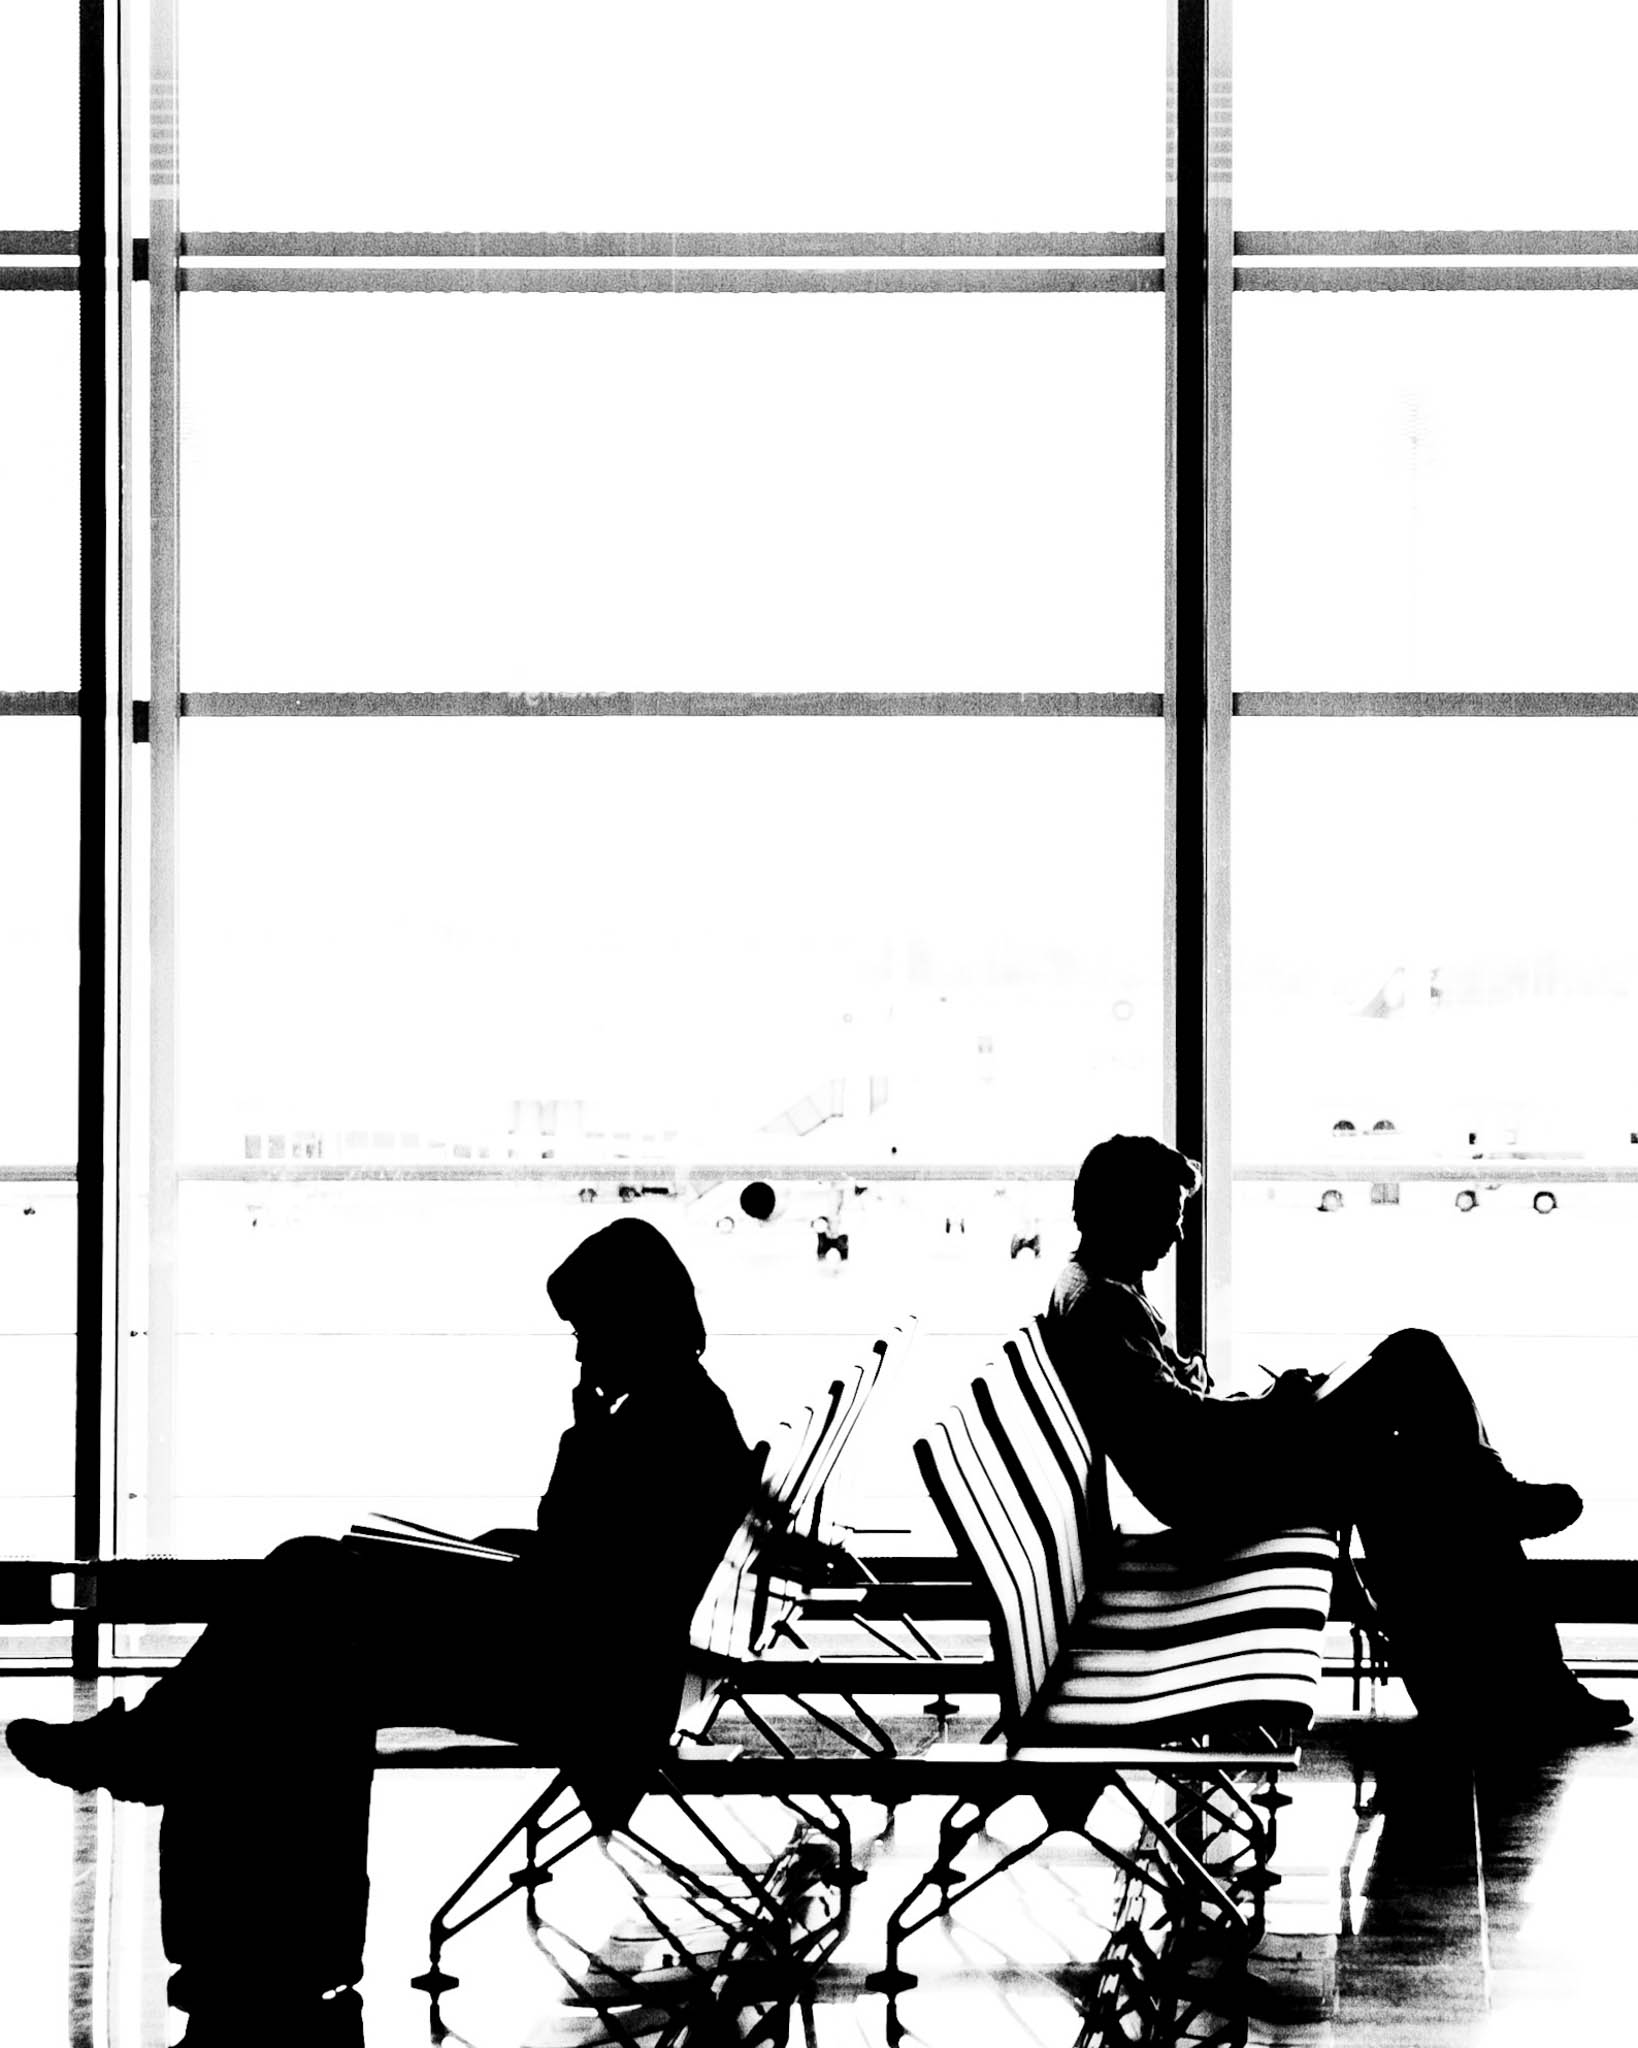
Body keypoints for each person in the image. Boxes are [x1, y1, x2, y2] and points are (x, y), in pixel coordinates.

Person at [5, 1216, 757, 2026]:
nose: (579, 1354)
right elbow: (592, 1568)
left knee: (303, 1599)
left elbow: (586, 1572)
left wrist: (575, 1444)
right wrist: (489, 1552)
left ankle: (159, 1767)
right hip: (590, 1660)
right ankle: (176, 1789)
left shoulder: (659, 1426)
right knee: (304, 1617)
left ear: (631, 1318)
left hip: (578, 1679)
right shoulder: (682, 1414)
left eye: (585, 1331)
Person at [1040, 1133, 1630, 1747]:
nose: (1178, 1235)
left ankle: (1479, 1682)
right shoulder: (1106, 1305)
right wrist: (1272, 1410)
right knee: (1413, 1358)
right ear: (1119, 1209)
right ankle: (1517, 1648)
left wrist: (1261, 1405)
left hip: (1215, 1472)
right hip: (1217, 1485)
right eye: (1168, 1216)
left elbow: (1172, 1423)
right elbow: (1180, 1430)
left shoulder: (1089, 1288)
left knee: (1405, 1473)